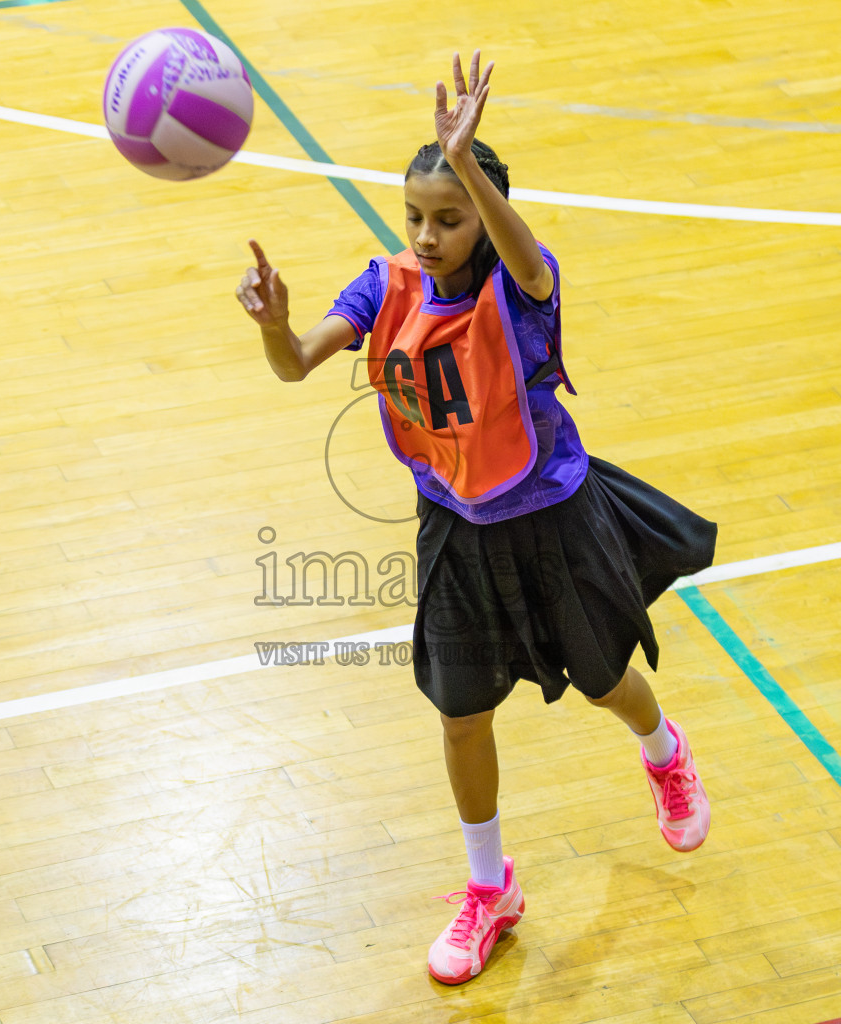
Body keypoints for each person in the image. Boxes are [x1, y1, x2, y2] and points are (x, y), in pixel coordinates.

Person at [236, 52, 719, 985]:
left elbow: (527, 257)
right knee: (460, 713)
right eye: (414, 214)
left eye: (448, 218)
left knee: (606, 678)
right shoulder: (383, 287)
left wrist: (472, 170)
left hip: (553, 517)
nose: (425, 234)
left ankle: (664, 752)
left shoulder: (523, 292)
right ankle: (489, 889)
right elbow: (296, 363)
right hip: (453, 526)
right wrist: (272, 322)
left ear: (483, 222)